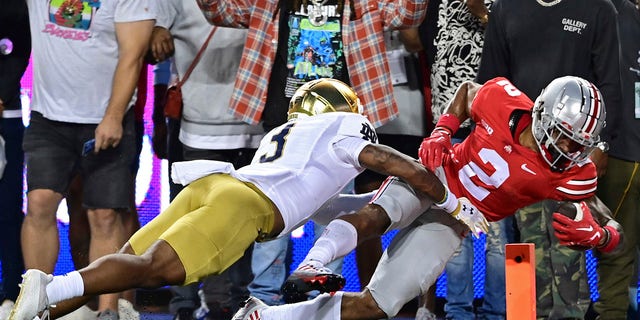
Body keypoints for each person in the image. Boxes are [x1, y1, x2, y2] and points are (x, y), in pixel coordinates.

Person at [7, 78, 479, 320]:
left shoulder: (289, 133)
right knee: (153, 270)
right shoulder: (343, 127)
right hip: (244, 205)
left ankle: (33, 311)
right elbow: (397, 162)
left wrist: (377, 211)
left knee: (120, 266)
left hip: (213, 186)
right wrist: (450, 202)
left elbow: (331, 207)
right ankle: (47, 288)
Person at [231, 76, 624, 320]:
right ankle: (311, 264)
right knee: (375, 216)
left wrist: (601, 237)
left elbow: (608, 219)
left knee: (377, 306)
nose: (568, 149)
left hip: (458, 219)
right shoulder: (504, 99)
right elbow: (469, 92)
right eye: (564, 135)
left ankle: (266, 317)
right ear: (540, 113)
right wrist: (443, 131)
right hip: (434, 176)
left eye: (578, 143)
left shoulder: (570, 172)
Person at [193, 0, 428, 307]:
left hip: (338, 129)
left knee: (332, 213)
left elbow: (408, 14)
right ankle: (264, 301)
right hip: (286, 122)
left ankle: (325, 302)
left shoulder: (362, 3)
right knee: (270, 209)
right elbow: (219, 11)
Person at [475, 0, 622, 317]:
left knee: (568, 248)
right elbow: (490, 83)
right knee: (519, 254)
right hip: (518, 158)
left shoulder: (597, 9)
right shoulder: (504, 9)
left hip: (571, 158)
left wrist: (602, 145)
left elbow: (611, 83)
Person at [21, 0, 154, 318]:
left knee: (105, 216)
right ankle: (38, 307)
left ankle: (107, 311)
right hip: (48, 119)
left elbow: (133, 55)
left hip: (105, 120)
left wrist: (113, 116)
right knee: (39, 204)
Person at [149, 0, 266, 316]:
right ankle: (184, 302)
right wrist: (156, 32)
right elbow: (151, 34)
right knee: (187, 217)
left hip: (256, 124)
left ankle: (236, 301)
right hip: (199, 126)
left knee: (245, 219)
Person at [593, 0, 640, 319]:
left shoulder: (603, 11)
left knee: (616, 250)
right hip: (622, 148)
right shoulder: (616, 12)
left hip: (621, 151)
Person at [0, 0, 30, 317]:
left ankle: (12, 292)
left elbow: (21, 37)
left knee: (7, 211)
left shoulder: (15, 7)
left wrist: (2, 93)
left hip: (4, 113)